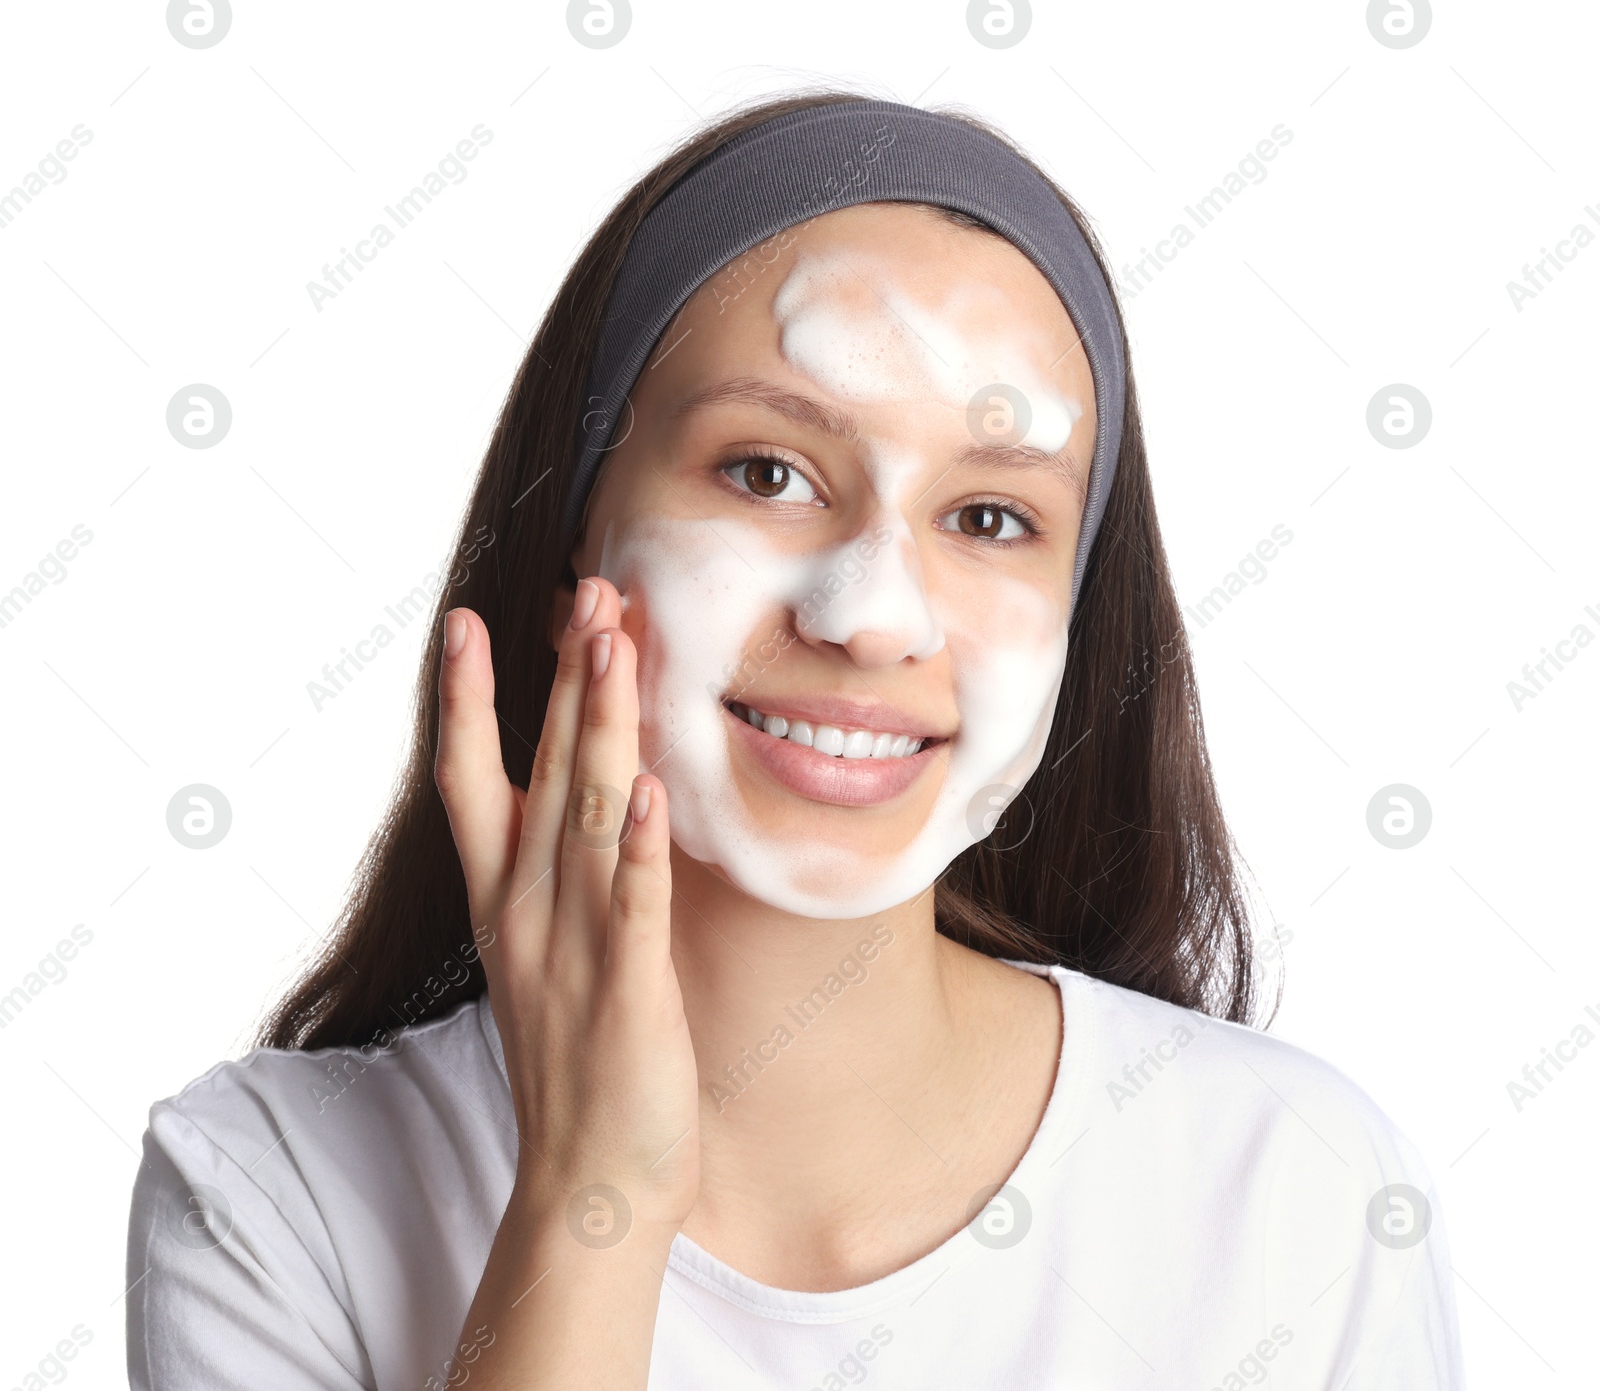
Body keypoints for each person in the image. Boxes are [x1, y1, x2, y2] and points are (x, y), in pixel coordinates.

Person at [126, 92, 1465, 1390]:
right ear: (574, 542)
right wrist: (594, 1197)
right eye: (767, 472)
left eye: (992, 517)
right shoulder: (270, 1192)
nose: (875, 618)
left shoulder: (1300, 1192)